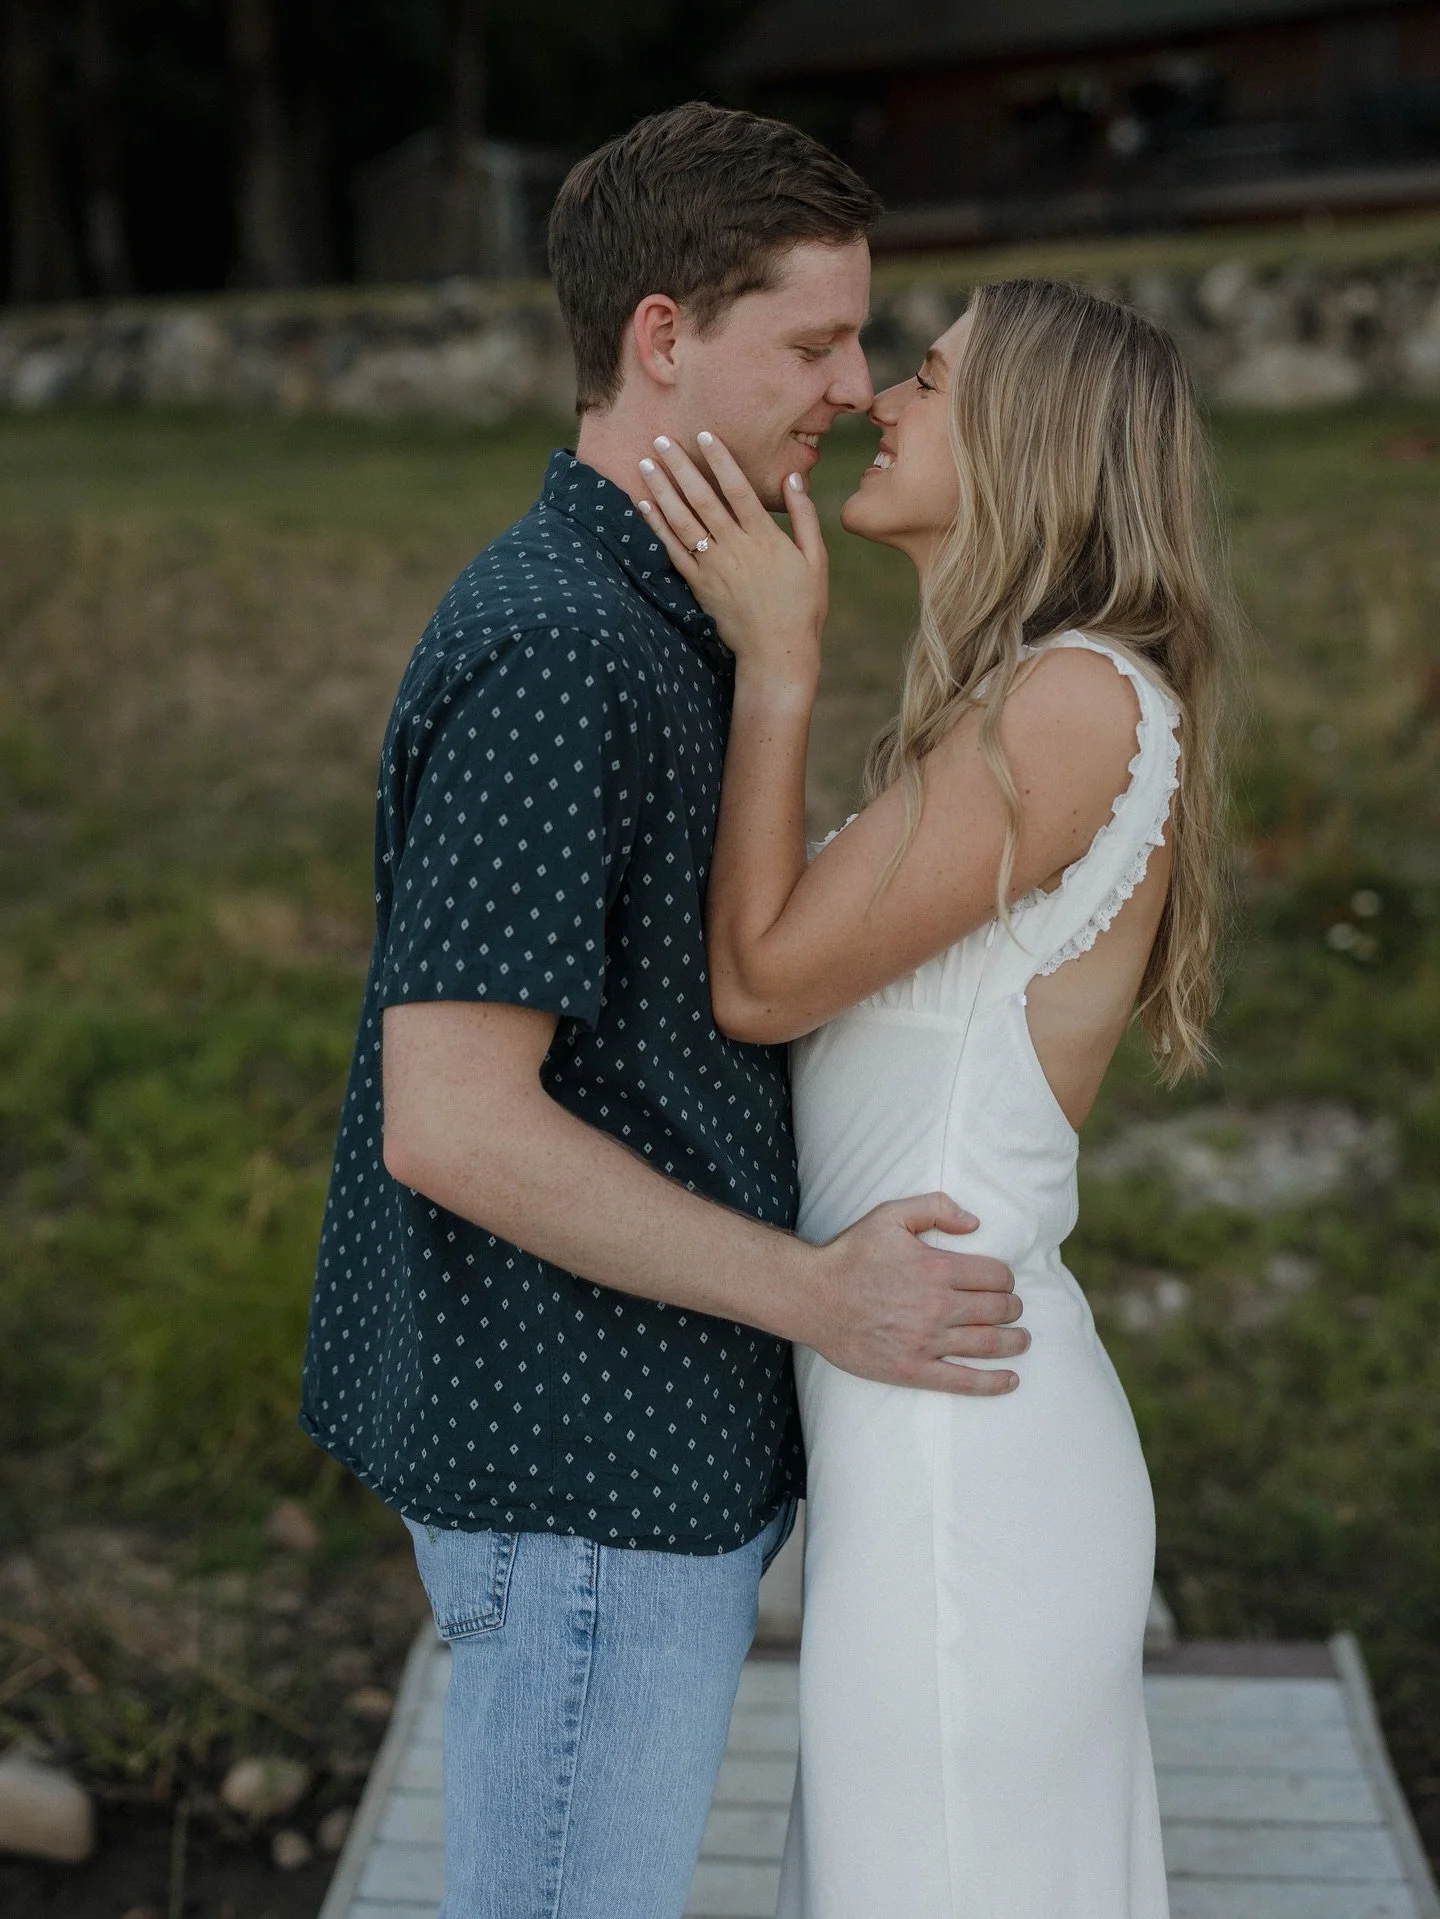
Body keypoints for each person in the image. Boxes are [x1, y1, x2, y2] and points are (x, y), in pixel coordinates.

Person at [299, 104, 1028, 1919]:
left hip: (629, 1447)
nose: (855, 389)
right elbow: (449, 1119)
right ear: (658, 337)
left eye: (860, 344)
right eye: (809, 342)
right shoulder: (564, 648)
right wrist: (818, 1292)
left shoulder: (682, 609)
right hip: (577, 1469)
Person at [640, 275, 1234, 1917]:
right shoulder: (1025, 699)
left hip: (964, 1464)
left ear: (1031, 439)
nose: (878, 403)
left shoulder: (1078, 700)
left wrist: (780, 661)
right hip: (921, 1419)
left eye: (925, 376)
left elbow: (760, 980)